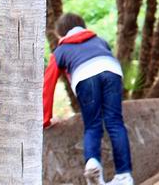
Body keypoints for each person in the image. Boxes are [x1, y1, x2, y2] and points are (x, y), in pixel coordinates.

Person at [43, 12, 134, 185]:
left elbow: (48, 85)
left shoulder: (60, 51)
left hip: (85, 76)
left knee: (93, 125)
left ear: (61, 33)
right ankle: (124, 176)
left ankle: (92, 162)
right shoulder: (100, 41)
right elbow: (108, 58)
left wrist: (45, 119)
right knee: (114, 121)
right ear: (83, 27)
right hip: (112, 71)